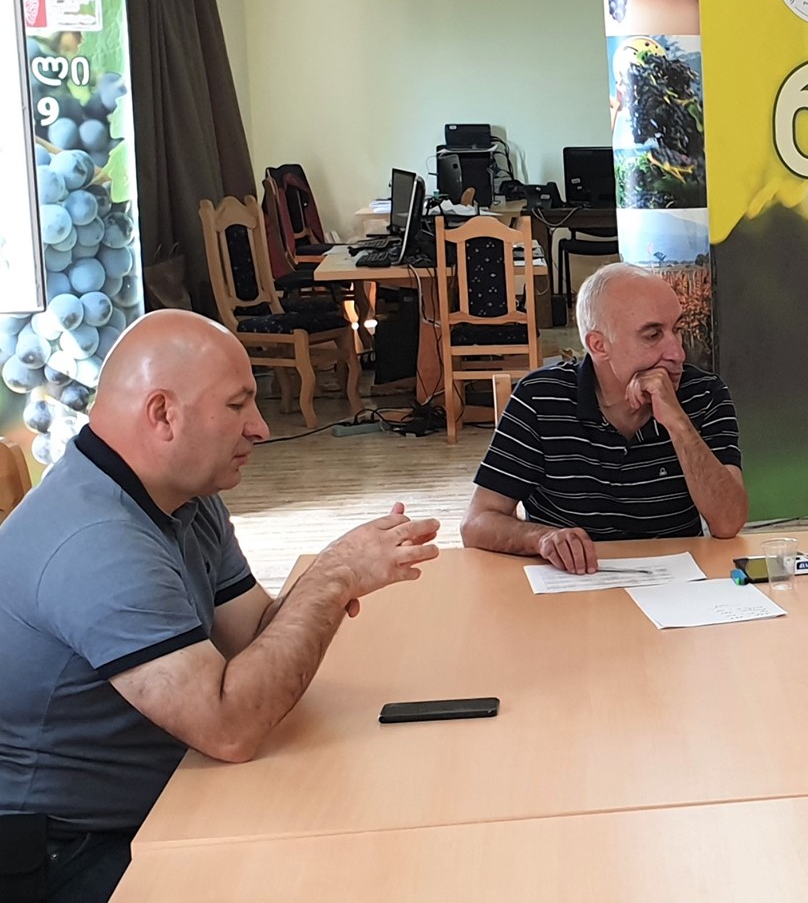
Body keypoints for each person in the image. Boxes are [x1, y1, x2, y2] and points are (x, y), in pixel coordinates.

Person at [0, 311, 439, 903]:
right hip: (64, 850)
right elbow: (230, 727)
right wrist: (331, 579)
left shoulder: (181, 494)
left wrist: (329, 587)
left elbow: (251, 635)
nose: (260, 427)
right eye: (237, 406)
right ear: (163, 414)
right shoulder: (97, 542)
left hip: (165, 790)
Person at [462, 264, 746, 573]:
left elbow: (728, 522)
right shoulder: (540, 397)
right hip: (570, 583)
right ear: (599, 346)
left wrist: (677, 423)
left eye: (677, 329)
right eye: (653, 335)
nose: (677, 353)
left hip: (676, 582)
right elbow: (477, 522)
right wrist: (541, 538)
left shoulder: (705, 393)